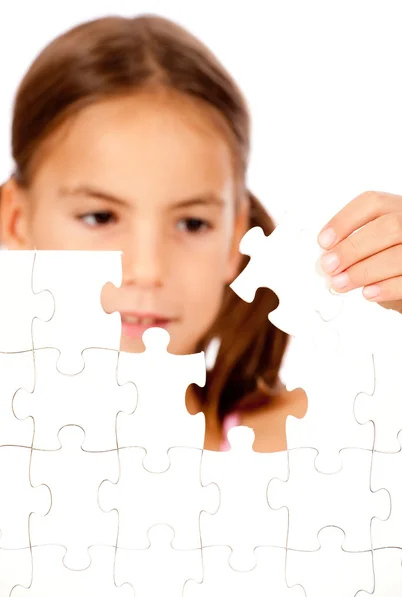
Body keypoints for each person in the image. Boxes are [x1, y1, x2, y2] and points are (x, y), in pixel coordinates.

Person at [1, 15, 401, 453]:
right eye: (100, 217)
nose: (147, 270)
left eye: (192, 223)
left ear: (235, 240)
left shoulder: (305, 445)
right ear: (16, 221)